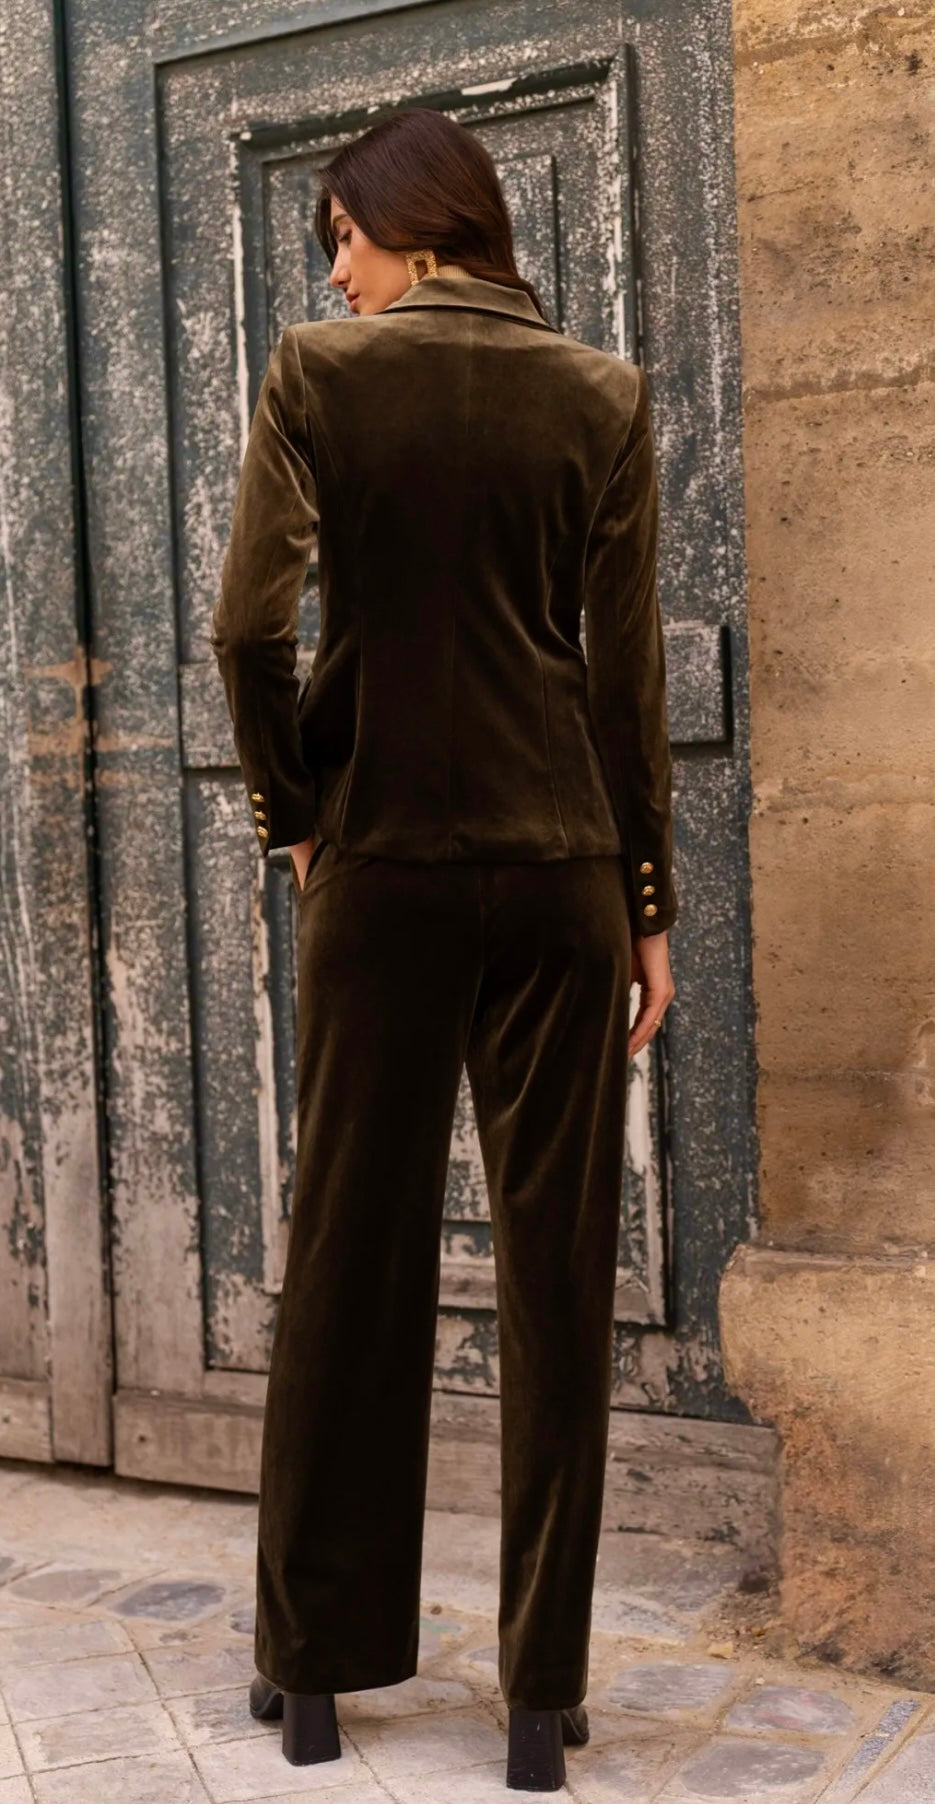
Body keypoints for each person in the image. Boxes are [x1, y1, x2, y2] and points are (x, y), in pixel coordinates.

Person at [210, 105, 677, 1793]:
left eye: (342, 234)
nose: (334, 270)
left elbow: (247, 626)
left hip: (386, 872)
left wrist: (296, 810)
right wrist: (647, 904)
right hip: (562, 877)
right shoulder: (604, 394)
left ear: (414, 231)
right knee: (559, 1278)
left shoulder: (319, 376)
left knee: (350, 1257)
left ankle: (316, 1674)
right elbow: (624, 677)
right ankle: (540, 1700)